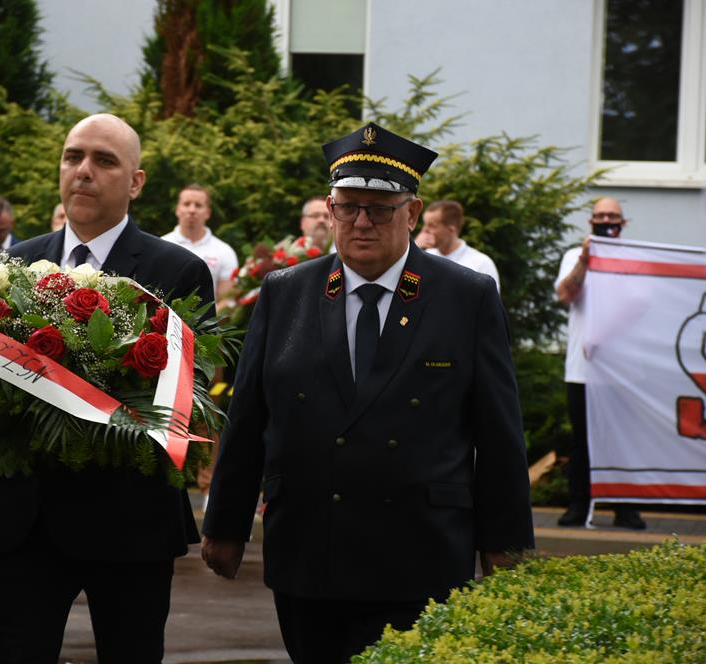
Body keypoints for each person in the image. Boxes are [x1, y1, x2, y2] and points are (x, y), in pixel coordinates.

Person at [201, 122, 535, 663]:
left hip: (421, 553)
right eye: (347, 207)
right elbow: (249, 417)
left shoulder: (464, 297)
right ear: (330, 210)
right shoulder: (286, 292)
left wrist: (505, 541)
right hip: (310, 551)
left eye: (379, 209)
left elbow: (498, 430)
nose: (361, 222)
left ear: (413, 212)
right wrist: (225, 524)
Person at [0, 113, 215, 663]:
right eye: (73, 157)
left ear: (136, 182)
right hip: (27, 517)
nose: (83, 171)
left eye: (103, 160)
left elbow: (190, 391)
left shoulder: (178, 271)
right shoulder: (9, 265)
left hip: (130, 519)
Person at [554, 197, 645, 530]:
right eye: (600, 215)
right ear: (591, 221)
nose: (606, 221)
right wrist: (585, 259)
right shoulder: (573, 256)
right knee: (582, 439)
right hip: (583, 368)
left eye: (613, 216)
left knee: (624, 439)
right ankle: (578, 506)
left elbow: (641, 305)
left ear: (624, 222)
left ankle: (626, 508)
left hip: (623, 369)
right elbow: (566, 295)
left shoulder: (636, 258)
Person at [161, 184, 239, 298]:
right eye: (186, 204)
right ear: (177, 210)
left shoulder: (225, 252)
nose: (192, 210)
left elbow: (227, 300)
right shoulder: (161, 246)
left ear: (208, 213)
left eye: (198, 205)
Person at [418, 200, 501, 292]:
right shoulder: (423, 257)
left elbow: (490, 301)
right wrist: (414, 249)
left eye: (432, 226)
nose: (424, 230)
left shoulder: (481, 264)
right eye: (425, 224)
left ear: (451, 230)